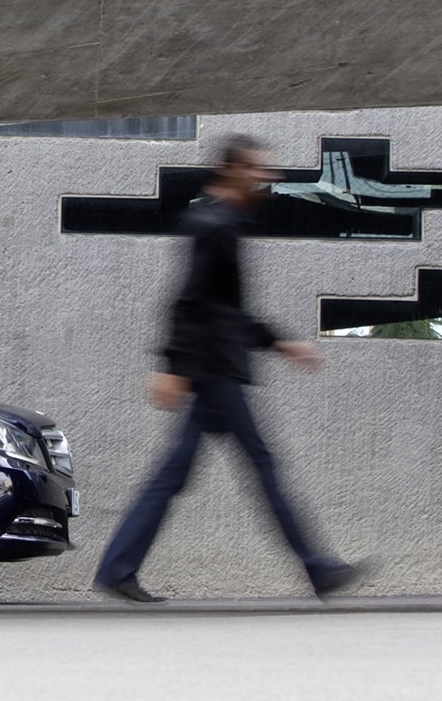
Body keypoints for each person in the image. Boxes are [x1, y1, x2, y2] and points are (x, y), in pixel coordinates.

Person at [94, 134, 361, 603]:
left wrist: (280, 344)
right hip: (214, 371)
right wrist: (174, 367)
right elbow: (191, 300)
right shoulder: (214, 224)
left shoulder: (224, 223)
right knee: (262, 468)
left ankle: (118, 568)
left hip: (216, 368)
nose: (270, 178)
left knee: (174, 475)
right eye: (261, 169)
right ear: (234, 170)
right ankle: (320, 570)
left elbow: (226, 308)